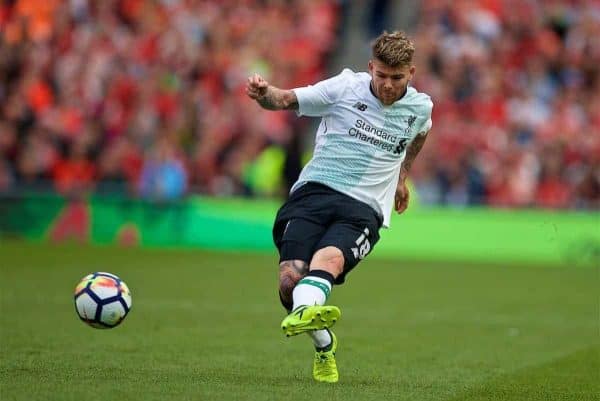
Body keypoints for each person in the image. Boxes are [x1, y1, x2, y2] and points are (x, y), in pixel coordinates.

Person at [246, 30, 433, 383]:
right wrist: (263, 94)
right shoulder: (345, 88)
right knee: (289, 280)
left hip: (364, 207)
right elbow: (285, 99)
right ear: (370, 68)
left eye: (397, 78)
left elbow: (420, 132)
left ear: (411, 74)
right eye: (381, 76)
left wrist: (402, 176)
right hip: (314, 192)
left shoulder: (421, 107)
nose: (388, 86)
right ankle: (324, 342)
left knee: (327, 261)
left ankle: (308, 313)